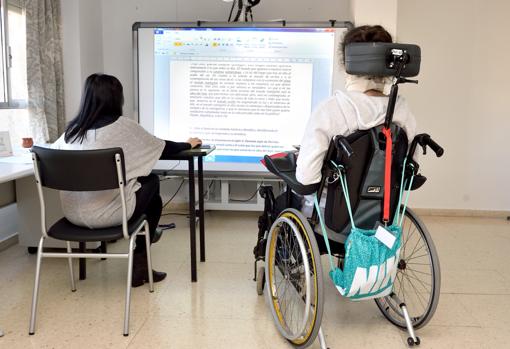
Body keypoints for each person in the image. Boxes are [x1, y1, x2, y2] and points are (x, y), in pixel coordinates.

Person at [52, 73, 201, 287]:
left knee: (148, 192)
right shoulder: (123, 127)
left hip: (72, 216)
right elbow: (161, 146)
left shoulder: (71, 133)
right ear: (117, 99)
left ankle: (146, 238)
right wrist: (187, 144)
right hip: (109, 216)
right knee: (151, 182)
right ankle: (141, 259)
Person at [296, 25, 416, 188]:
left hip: (328, 209)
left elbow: (307, 177)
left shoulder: (330, 110)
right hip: (383, 209)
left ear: (347, 63)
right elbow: (408, 172)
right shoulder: (402, 111)